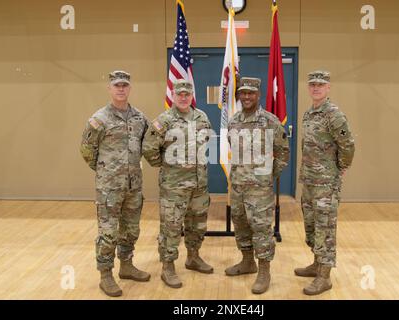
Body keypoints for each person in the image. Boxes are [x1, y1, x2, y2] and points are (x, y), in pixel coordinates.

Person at [80, 70, 150, 297]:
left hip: (134, 186)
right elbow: (87, 151)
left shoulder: (140, 118)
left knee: (130, 229)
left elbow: (147, 145)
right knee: (108, 232)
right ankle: (106, 274)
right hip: (109, 188)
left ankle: (127, 265)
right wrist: (105, 172)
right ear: (109, 88)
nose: (121, 89)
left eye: (125, 85)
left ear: (130, 89)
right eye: (117, 85)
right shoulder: (99, 119)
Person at [142, 79, 213, 289]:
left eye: (187, 94)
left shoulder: (202, 117)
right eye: (179, 94)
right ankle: (168, 266)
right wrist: (167, 166)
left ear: (192, 96)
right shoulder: (164, 121)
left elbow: (206, 142)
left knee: (197, 224)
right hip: (174, 187)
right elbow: (149, 148)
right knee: (171, 227)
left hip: (199, 185)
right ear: (173, 95)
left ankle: (193, 257)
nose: (183, 97)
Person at [225, 77, 289, 294]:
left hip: (260, 189)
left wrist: (269, 176)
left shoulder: (270, 121)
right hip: (238, 187)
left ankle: (264, 271)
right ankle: (247, 262)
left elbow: (283, 152)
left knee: (261, 229)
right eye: (243, 93)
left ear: (258, 95)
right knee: (241, 225)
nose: (246, 97)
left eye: (250, 93)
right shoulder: (233, 121)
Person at [295, 70, 355, 295]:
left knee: (325, 228)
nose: (316, 88)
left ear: (328, 87)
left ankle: (324, 277)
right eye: (312, 84)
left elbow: (348, 144)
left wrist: (342, 167)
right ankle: (317, 264)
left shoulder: (333, 114)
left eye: (321, 84)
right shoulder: (309, 113)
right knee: (311, 226)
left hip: (326, 183)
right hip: (310, 181)